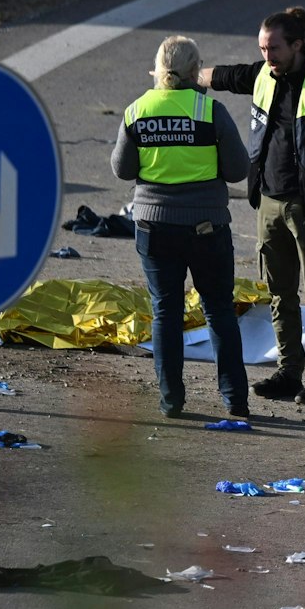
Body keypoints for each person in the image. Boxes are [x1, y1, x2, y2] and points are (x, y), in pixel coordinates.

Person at [200, 6, 305, 408]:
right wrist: (182, 74)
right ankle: (288, 370)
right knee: (280, 293)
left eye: (274, 48)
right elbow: (224, 76)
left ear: (297, 45)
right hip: (269, 203)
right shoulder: (264, 74)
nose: (267, 56)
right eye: (262, 48)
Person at [112, 35, 251, 419]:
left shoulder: (137, 111)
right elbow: (239, 169)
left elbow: (122, 170)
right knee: (219, 311)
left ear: (157, 70)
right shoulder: (210, 111)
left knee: (166, 312)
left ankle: (171, 401)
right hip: (207, 228)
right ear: (196, 70)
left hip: (155, 228)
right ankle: (235, 400)